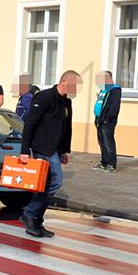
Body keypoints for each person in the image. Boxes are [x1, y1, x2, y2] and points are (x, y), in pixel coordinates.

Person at [20, 70, 83, 238]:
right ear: (64, 82)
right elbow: (30, 123)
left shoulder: (66, 102)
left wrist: (64, 151)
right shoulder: (45, 97)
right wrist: (25, 150)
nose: (76, 89)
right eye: (75, 85)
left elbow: (65, 128)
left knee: (46, 184)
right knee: (56, 180)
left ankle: (36, 220)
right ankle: (30, 214)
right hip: (42, 147)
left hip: (55, 149)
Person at [94, 70, 122, 173]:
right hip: (99, 119)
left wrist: (107, 119)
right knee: (102, 142)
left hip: (107, 121)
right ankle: (104, 163)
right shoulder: (103, 90)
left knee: (108, 142)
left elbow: (115, 107)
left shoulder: (115, 90)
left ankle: (112, 164)